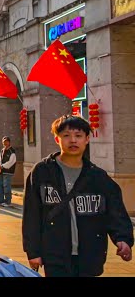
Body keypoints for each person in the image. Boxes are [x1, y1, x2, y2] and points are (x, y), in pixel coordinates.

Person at [22, 115, 133, 277]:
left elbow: (115, 211)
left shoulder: (98, 177)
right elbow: (31, 214)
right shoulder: (42, 172)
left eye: (78, 136)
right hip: (54, 253)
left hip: (90, 255)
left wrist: (122, 239)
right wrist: (33, 251)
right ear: (57, 139)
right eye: (66, 136)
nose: (73, 140)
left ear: (87, 139)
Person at [0, 136, 16, 208]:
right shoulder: (2, 150)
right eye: (3, 141)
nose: (5, 143)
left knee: (7, 186)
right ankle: (0, 201)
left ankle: (8, 202)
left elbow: (11, 162)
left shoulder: (12, 151)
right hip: (1, 171)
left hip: (8, 171)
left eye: (6, 141)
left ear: (9, 142)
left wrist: (3, 166)